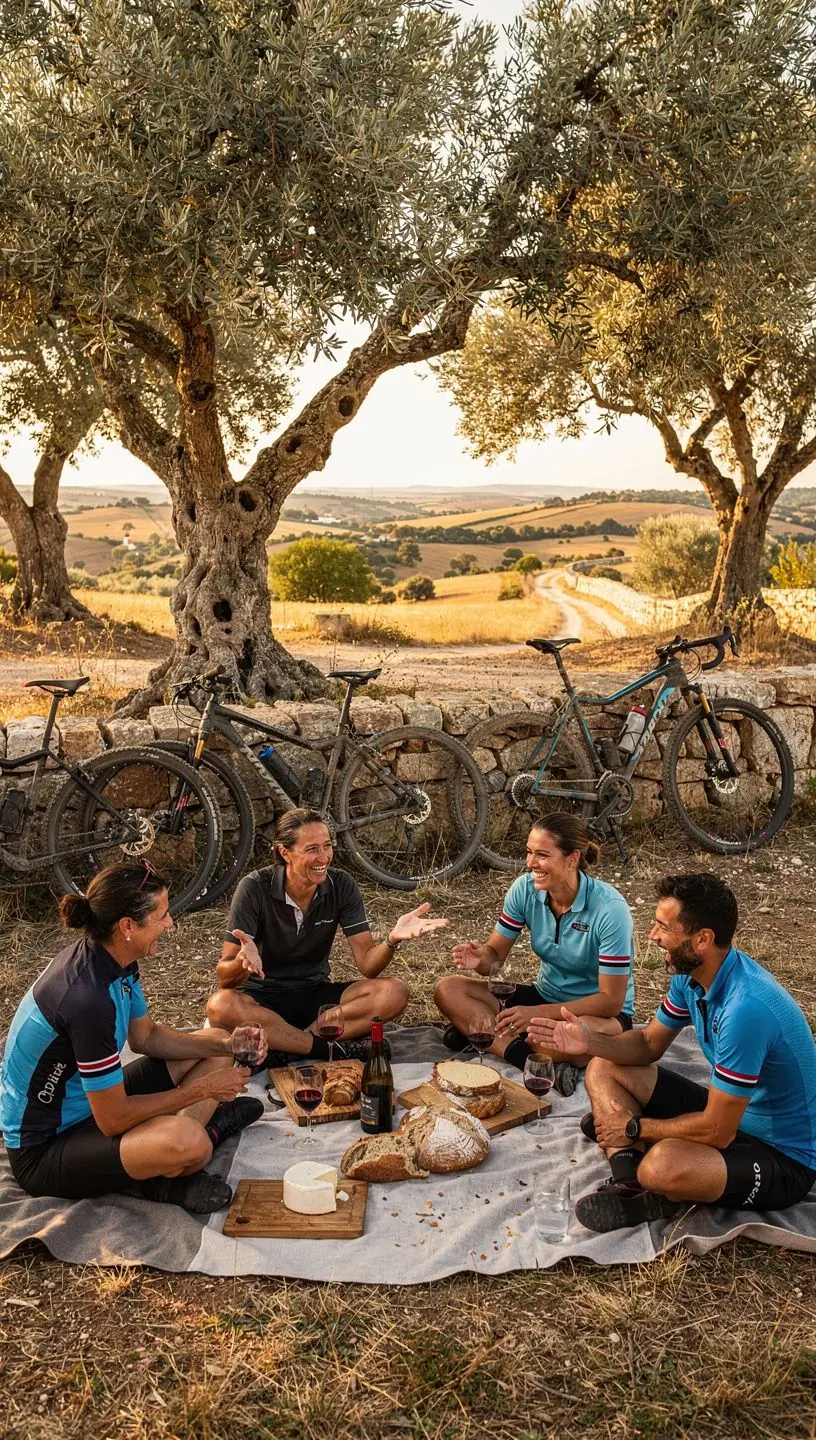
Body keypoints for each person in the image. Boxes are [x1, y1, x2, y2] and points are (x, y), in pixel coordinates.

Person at [529, 872, 816, 1233]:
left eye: (664, 927)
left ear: (702, 940)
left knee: (661, 1165)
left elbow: (717, 1131)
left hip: (782, 1156)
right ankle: (628, 1182)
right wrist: (589, 1043)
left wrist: (634, 1127)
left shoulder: (746, 1010)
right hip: (731, 1115)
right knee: (603, 1067)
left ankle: (643, 1168)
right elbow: (649, 1043)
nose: (652, 936)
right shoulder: (690, 974)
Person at [0, 863, 267, 1214]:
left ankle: (166, 1151)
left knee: (214, 1039)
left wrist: (228, 1045)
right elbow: (113, 1119)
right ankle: (180, 1156)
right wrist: (203, 1092)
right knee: (190, 1144)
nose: (170, 924)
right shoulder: (88, 1002)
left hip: (88, 1107)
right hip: (46, 1149)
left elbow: (147, 1037)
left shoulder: (114, 958)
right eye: (162, 916)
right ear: (128, 926)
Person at [207, 808, 446, 1060]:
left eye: (327, 846)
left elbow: (368, 965)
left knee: (394, 992)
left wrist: (392, 940)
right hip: (261, 1000)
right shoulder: (254, 887)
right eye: (312, 849)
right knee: (220, 1006)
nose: (324, 857)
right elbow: (225, 978)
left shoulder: (341, 885)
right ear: (284, 852)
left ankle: (286, 1047)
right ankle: (323, 1048)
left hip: (315, 996)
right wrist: (244, 962)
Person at [435, 814, 635, 1095]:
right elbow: (495, 957)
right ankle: (527, 1057)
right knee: (448, 989)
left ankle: (487, 1037)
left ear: (572, 859)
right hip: (546, 996)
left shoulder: (610, 910)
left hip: (596, 1012)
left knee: (566, 1039)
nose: (530, 863)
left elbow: (611, 1002)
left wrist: (537, 1014)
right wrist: (481, 959)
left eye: (542, 855)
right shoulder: (524, 890)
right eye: (529, 852)